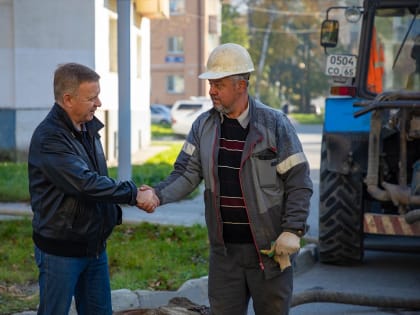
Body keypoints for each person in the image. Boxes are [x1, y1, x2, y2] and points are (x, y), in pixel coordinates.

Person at [145, 43, 313, 315]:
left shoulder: (275, 125)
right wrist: (156, 194)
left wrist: (292, 229)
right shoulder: (203, 126)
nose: (211, 90)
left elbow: (299, 181)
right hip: (225, 256)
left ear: (241, 85)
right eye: (211, 83)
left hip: (269, 253)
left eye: (218, 84)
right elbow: (186, 173)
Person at [28, 62, 159, 315]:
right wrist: (134, 194)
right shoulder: (50, 138)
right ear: (68, 99)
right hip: (60, 251)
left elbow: (98, 180)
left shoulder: (89, 128)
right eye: (92, 97)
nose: (99, 103)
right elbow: (85, 183)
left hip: (94, 247)